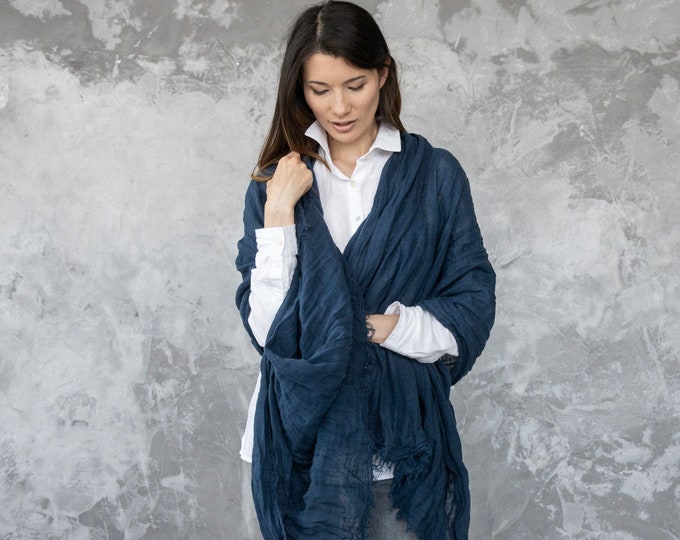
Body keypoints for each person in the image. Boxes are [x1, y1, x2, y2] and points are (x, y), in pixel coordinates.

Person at [235, 2, 496, 538]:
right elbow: (268, 333)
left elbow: (471, 307)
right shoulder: (275, 184)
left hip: (398, 450)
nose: (338, 107)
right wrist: (279, 212)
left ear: (382, 74)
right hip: (292, 447)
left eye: (354, 85)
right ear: (299, 89)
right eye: (319, 90)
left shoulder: (435, 176)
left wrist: (375, 327)